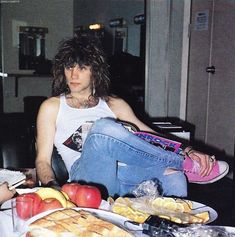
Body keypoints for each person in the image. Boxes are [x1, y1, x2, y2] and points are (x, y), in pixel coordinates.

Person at [35, 35, 229, 198]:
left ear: (95, 71)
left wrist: (188, 149)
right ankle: (182, 163)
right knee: (103, 128)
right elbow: (42, 160)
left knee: (175, 177)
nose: (73, 75)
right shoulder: (52, 107)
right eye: (69, 68)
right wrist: (53, 189)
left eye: (81, 68)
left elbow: (151, 137)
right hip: (85, 178)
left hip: (126, 173)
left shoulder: (113, 104)